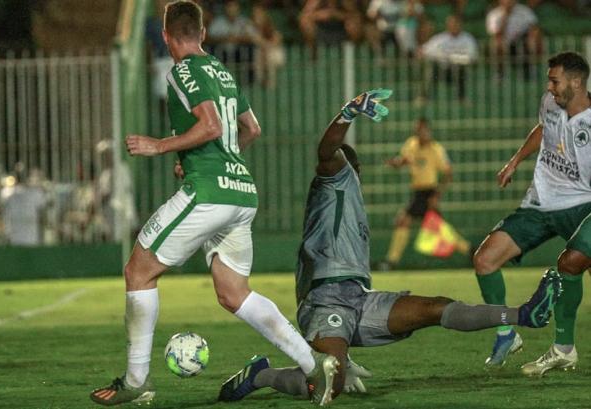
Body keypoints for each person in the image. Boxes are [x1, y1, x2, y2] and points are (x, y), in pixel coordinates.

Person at [217, 89, 562, 404]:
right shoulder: (335, 178)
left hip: (358, 298)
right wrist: (347, 115)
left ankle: (523, 314)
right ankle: (261, 374)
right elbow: (325, 151)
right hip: (325, 302)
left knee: (434, 307)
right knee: (326, 385)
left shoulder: (347, 199)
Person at [90, 1, 337, 405]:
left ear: (167, 37)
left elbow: (210, 125)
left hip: (208, 193)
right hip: (241, 192)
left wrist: (161, 146)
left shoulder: (182, 71)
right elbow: (250, 129)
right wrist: (219, 157)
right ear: (203, 34)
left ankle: (136, 381)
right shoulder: (222, 70)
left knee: (138, 271)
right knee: (233, 293)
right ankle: (313, 364)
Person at [476, 51, 590, 374]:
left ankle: (563, 348)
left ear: (576, 82)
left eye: (555, 80)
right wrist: (515, 160)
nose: (550, 87)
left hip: (582, 206)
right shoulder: (550, 103)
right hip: (539, 205)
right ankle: (505, 334)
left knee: (572, 264)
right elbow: (544, 129)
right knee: (484, 260)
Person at [381, 118, 471, 270]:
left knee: (404, 220)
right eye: (417, 129)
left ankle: (391, 261)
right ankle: (470, 251)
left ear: (428, 131)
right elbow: (404, 160)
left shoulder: (436, 149)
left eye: (422, 129)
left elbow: (448, 174)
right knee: (440, 229)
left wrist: (436, 195)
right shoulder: (412, 144)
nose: (419, 132)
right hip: (418, 192)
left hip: (428, 192)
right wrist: (395, 163)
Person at [419, 14, 478, 100]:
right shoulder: (440, 39)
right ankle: (423, 96)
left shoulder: (468, 39)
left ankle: (461, 98)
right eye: (451, 24)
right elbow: (424, 51)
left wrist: (452, 58)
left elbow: (472, 57)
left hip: (458, 70)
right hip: (442, 69)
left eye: (456, 24)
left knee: (460, 69)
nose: (453, 26)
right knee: (431, 69)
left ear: (460, 25)